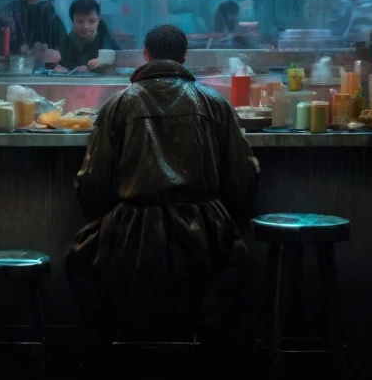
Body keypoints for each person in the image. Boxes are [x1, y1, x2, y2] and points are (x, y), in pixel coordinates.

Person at [66, 24, 260, 335]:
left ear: (146, 55)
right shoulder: (214, 102)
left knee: (79, 260)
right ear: (185, 56)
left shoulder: (119, 104)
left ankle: (111, 360)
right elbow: (244, 177)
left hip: (131, 233)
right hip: (206, 234)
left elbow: (93, 185)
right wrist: (219, 215)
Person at [55, 0, 121, 72]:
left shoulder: (108, 44)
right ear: (72, 21)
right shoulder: (63, 44)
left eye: (92, 21)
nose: (86, 26)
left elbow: (119, 66)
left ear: (98, 20)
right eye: (80, 21)